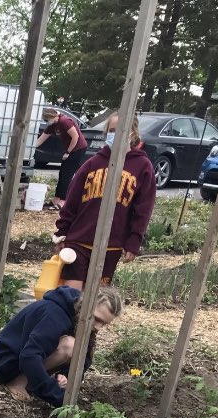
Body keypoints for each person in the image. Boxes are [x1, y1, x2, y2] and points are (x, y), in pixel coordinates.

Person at [55, 114, 156, 290]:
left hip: (111, 245)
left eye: (121, 131)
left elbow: (143, 210)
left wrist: (133, 241)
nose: (115, 135)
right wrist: (62, 232)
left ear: (133, 133)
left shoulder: (142, 166)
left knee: (94, 295)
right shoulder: (94, 163)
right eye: (111, 131)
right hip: (79, 240)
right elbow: (72, 200)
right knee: (70, 295)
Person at [0, 285, 124, 406]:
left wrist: (66, 374)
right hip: (8, 362)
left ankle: (31, 380)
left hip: (26, 357)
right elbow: (29, 355)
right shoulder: (54, 314)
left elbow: (84, 356)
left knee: (76, 346)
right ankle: (18, 382)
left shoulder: (82, 316)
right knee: (70, 346)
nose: (98, 327)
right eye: (97, 319)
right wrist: (56, 396)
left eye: (104, 323)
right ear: (87, 305)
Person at [34, 108, 88, 209]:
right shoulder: (53, 125)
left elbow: (75, 136)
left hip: (78, 148)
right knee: (62, 173)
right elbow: (42, 137)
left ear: (52, 116)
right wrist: (31, 147)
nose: (46, 122)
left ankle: (63, 201)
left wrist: (68, 152)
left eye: (47, 119)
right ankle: (56, 199)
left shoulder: (64, 121)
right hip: (69, 149)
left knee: (66, 175)